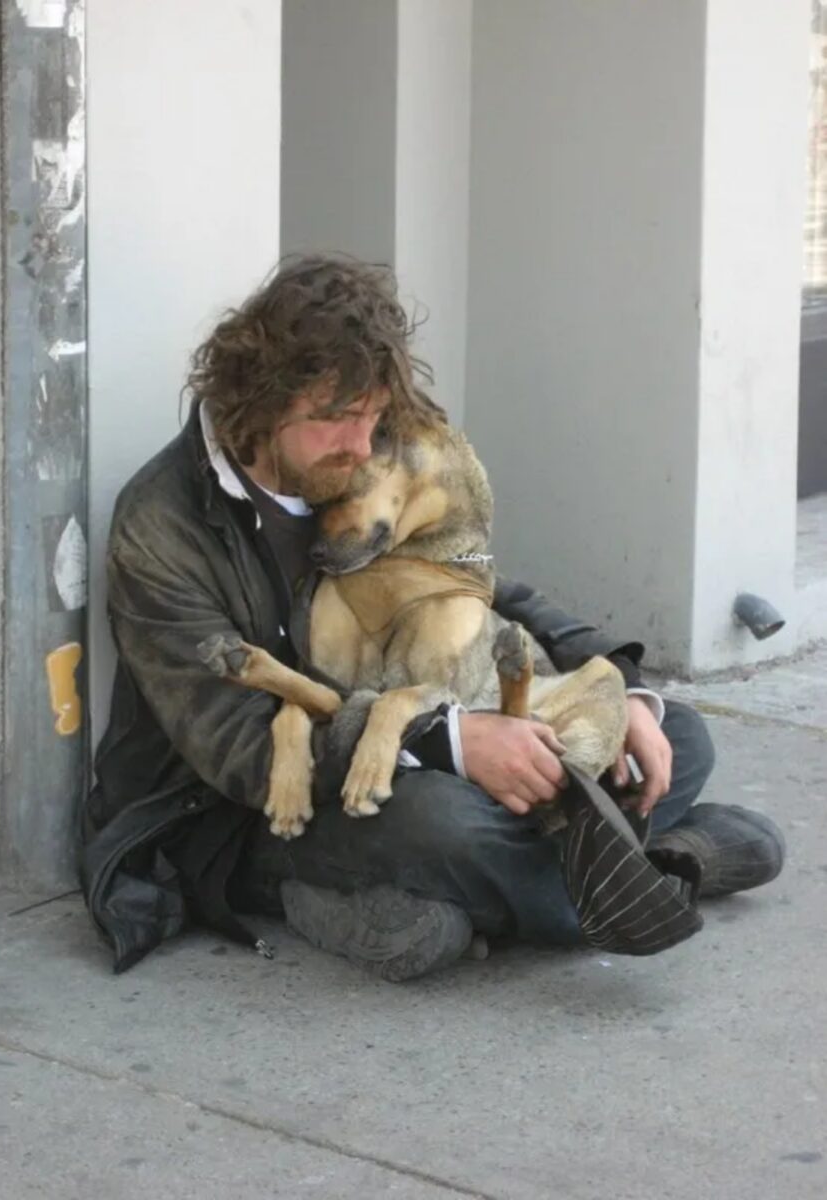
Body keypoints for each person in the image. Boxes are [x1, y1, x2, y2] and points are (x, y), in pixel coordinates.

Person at [80, 255, 785, 979]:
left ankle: (489, 897)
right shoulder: (159, 528)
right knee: (443, 825)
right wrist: (451, 741)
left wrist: (615, 680)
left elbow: (464, 578)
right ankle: (666, 867)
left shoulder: (345, 459)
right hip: (238, 812)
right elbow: (243, 754)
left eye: (375, 417)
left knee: (674, 736)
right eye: (336, 420)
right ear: (258, 402)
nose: (361, 447)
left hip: (397, 740)